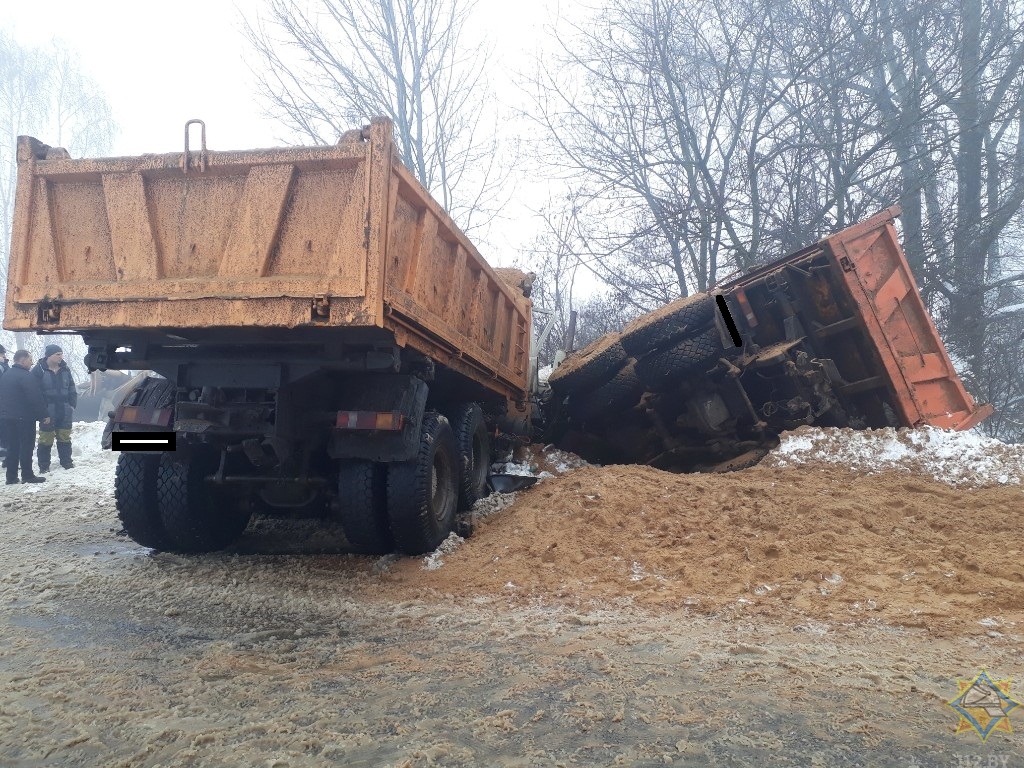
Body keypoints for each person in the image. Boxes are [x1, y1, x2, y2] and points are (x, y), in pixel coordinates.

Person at [0, 350, 49, 484]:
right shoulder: (26, 376)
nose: (32, 362)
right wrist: (43, 415)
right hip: (25, 418)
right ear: (22, 360)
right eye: (30, 360)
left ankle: (11, 477)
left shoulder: (6, 375)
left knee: (12, 447)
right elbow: (35, 397)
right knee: (26, 446)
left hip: (7, 418)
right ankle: (27, 475)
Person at [33, 344, 78, 472]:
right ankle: (44, 465)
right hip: (47, 410)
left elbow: (72, 388)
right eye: (57, 354)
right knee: (45, 439)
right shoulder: (38, 370)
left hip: (64, 409)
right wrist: (41, 412)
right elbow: (35, 393)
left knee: (64, 436)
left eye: (61, 354)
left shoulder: (65, 369)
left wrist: (72, 405)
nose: (61, 357)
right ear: (49, 355)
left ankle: (66, 462)